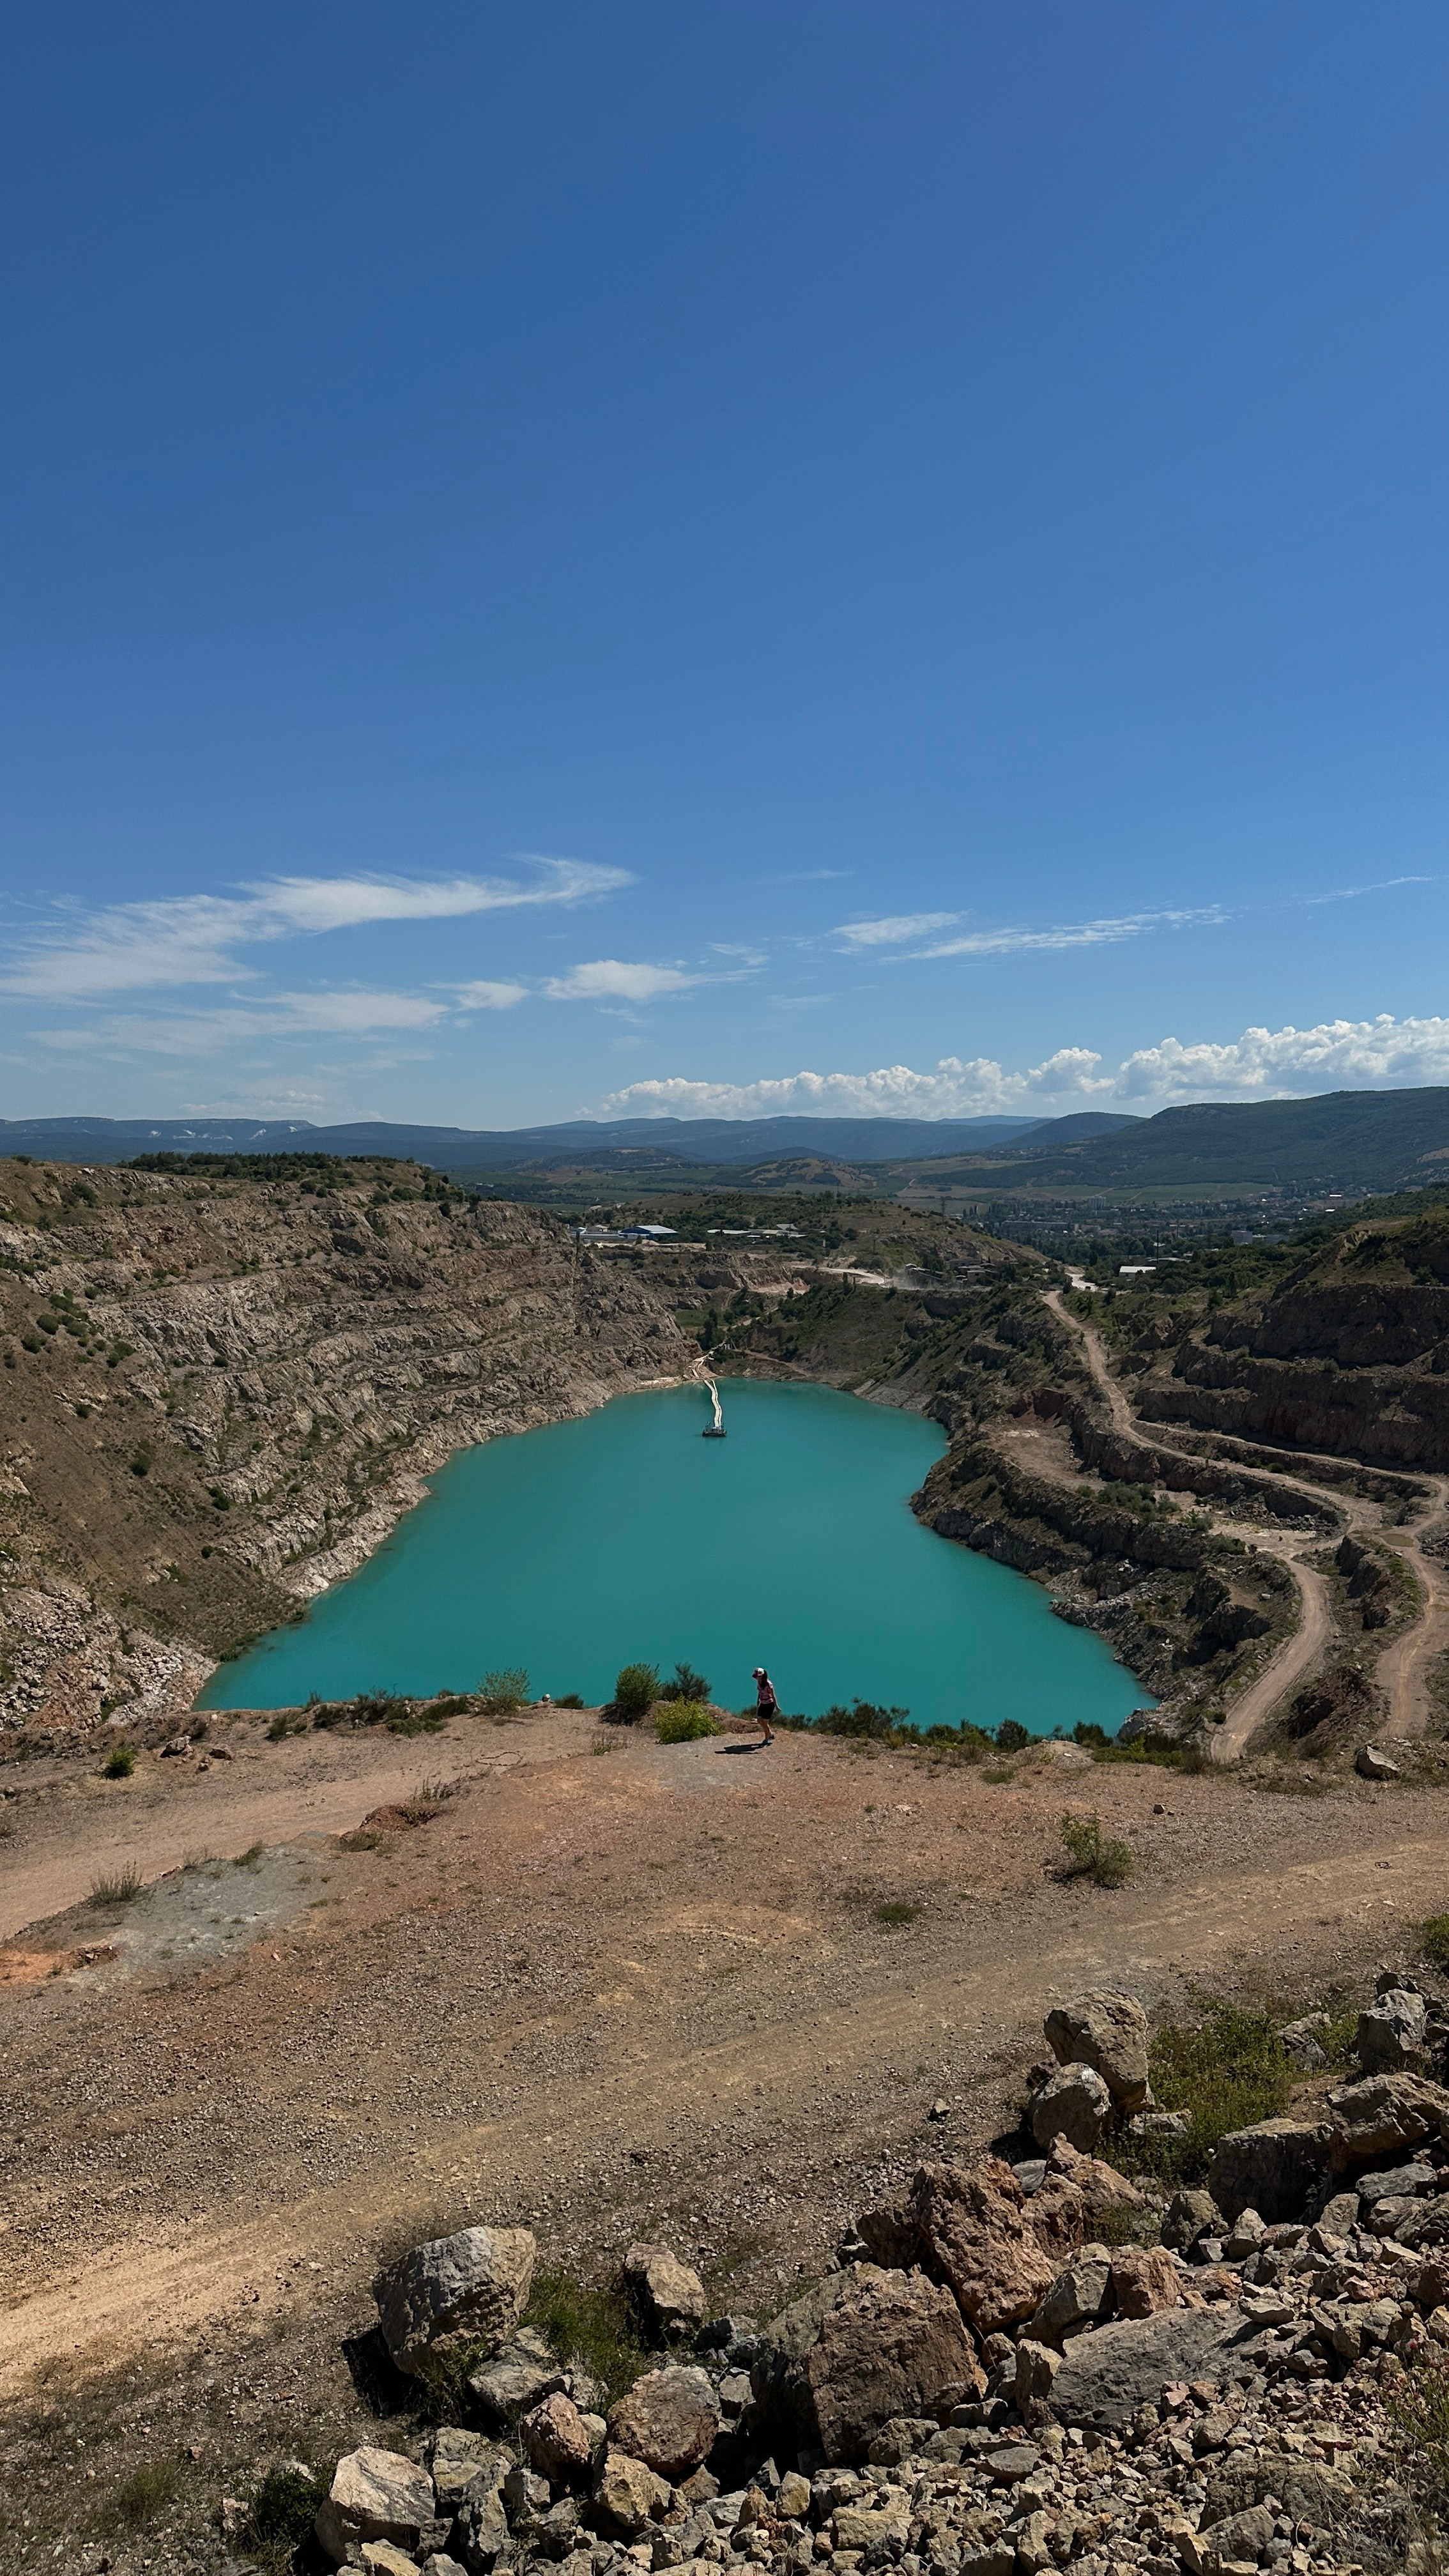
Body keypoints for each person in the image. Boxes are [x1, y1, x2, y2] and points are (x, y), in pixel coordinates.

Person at [751, 1665, 778, 1745]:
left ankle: (767, 1738)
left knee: (765, 1722)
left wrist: (777, 1707)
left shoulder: (768, 1685)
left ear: (761, 1676)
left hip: (769, 1704)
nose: (756, 1678)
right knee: (759, 1720)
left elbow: (773, 1696)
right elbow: (760, 1693)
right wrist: (758, 1701)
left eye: (757, 1677)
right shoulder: (759, 1683)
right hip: (763, 1703)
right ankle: (770, 1734)